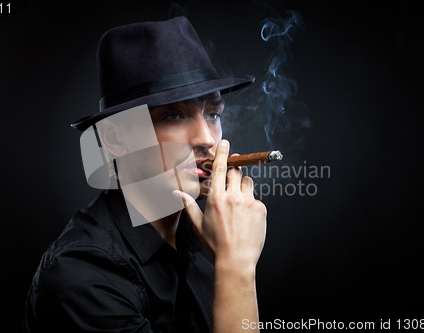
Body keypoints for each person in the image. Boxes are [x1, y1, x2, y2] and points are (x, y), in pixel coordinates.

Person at [23, 16, 267, 332]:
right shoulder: (83, 277)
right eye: (174, 115)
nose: (207, 137)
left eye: (212, 113)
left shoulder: (203, 238)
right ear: (115, 138)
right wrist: (237, 268)